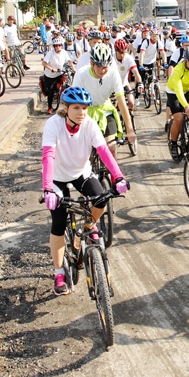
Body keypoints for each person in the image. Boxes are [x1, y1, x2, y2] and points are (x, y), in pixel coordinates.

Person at [41, 87, 129, 295]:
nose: (81, 112)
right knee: (58, 222)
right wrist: (47, 189)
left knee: (101, 199)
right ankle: (59, 273)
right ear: (65, 108)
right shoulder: (53, 124)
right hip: (57, 178)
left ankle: (89, 225)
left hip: (81, 173)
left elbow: (103, 151)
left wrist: (118, 177)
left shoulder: (89, 124)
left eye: (84, 108)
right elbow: (48, 156)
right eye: (76, 108)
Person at [71, 43, 136, 158]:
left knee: (111, 147)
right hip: (86, 112)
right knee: (85, 152)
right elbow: (74, 102)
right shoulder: (81, 74)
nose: (102, 70)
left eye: (105, 67)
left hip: (105, 110)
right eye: (99, 66)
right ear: (91, 63)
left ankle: (112, 170)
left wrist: (130, 129)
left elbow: (122, 102)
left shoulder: (113, 74)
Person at [40, 37, 71, 114]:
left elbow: (69, 61)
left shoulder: (64, 52)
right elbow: (44, 63)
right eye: (56, 45)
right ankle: (49, 107)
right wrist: (51, 69)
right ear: (54, 46)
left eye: (59, 45)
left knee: (66, 84)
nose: (58, 47)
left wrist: (74, 69)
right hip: (51, 75)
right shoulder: (50, 53)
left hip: (60, 73)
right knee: (51, 90)